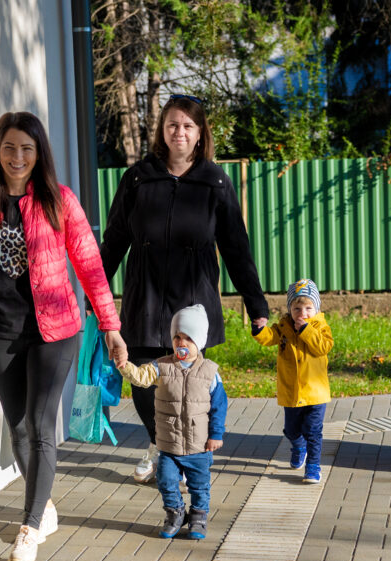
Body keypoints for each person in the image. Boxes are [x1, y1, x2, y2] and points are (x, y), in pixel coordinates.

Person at [0, 112, 126, 561]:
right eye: (9, 148)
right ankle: (44, 507)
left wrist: (110, 324)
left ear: (39, 153)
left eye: (27, 149)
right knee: (19, 426)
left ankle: (28, 527)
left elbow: (90, 266)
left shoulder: (58, 200)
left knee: (41, 423)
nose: (17, 157)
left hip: (55, 330)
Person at [99, 94, 269, 484]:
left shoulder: (215, 182)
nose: (180, 132)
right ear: (161, 129)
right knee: (142, 382)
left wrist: (256, 305)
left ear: (199, 134)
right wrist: (93, 296)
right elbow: (113, 242)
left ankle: (183, 459)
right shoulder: (138, 178)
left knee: (189, 388)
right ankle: (159, 443)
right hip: (145, 299)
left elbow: (236, 248)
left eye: (188, 126)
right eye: (173, 124)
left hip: (193, 305)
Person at [114, 304, 226, 539]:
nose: (181, 343)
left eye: (188, 338)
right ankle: (175, 512)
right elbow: (142, 378)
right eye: (177, 337)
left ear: (200, 342)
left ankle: (198, 517)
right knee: (165, 481)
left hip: (199, 445)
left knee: (199, 485)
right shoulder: (161, 366)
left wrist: (216, 434)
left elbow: (219, 406)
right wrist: (125, 367)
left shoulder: (210, 372)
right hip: (168, 443)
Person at [251, 279, 334, 483]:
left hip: (315, 392)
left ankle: (313, 467)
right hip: (291, 391)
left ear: (316, 308)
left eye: (308, 308)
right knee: (291, 430)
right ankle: (298, 446)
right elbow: (269, 338)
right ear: (290, 309)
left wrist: (306, 329)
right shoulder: (284, 326)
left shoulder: (320, 327)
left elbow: (323, 347)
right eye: (297, 308)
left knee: (313, 431)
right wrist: (259, 329)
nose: (302, 313)